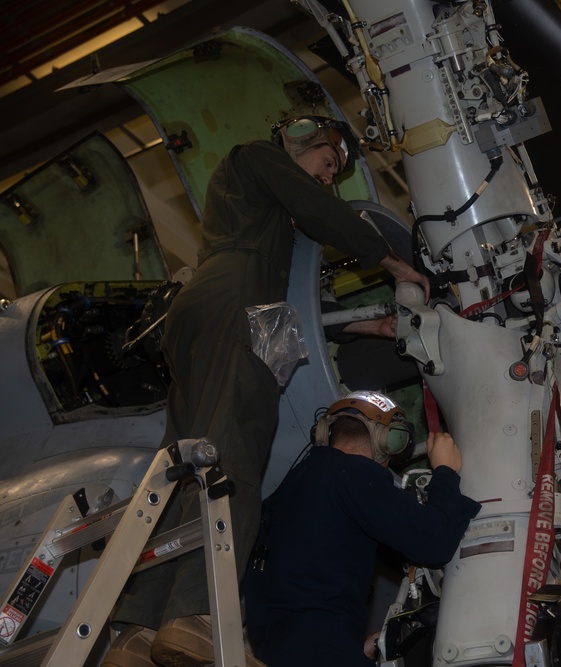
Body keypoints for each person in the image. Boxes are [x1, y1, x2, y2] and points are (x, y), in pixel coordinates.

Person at [103, 117, 430, 667]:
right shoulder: (257, 157)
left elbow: (283, 318)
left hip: (213, 313)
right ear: (299, 143)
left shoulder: (255, 218)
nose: (327, 181)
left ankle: (137, 630)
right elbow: (318, 214)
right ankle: (198, 615)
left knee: (183, 466)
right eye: (328, 165)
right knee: (233, 460)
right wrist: (390, 258)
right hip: (236, 304)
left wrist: (362, 328)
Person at [243, 391, 481, 666]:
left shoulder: (285, 494)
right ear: (391, 440)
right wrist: (445, 472)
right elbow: (434, 542)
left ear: (324, 432)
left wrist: (352, 648)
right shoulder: (351, 472)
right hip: (324, 650)